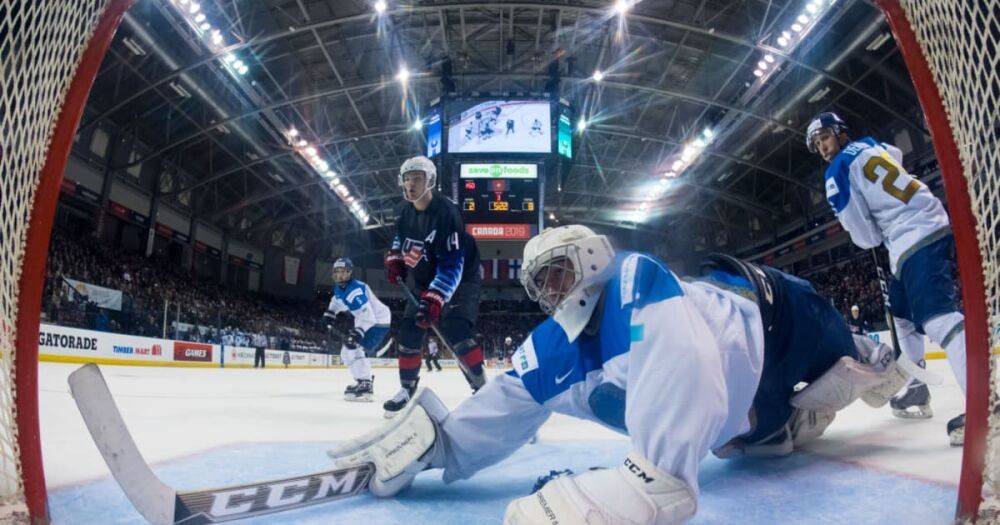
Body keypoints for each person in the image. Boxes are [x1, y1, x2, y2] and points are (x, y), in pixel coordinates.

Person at [329, 225, 907, 523]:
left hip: (779, 316)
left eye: (555, 275)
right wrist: (440, 447)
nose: (549, 294)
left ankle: (883, 367)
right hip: (746, 404)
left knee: (859, 367)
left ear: (590, 259)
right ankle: (780, 426)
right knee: (756, 444)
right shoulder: (563, 340)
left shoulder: (634, 277)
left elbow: (688, 363)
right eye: (539, 287)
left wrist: (657, 474)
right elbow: (512, 397)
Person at [807, 112, 964, 441]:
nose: (822, 146)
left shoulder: (836, 172)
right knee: (902, 314)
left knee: (937, 318)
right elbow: (895, 154)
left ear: (840, 133)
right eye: (817, 143)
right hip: (922, 223)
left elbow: (865, 237)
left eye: (824, 137)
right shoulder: (870, 146)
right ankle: (918, 387)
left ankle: (985, 401)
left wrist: (875, 222)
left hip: (913, 234)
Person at [383, 155, 486, 418]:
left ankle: (482, 388)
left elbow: (452, 264)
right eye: (406, 179)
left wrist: (436, 299)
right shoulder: (404, 213)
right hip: (423, 278)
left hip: (462, 278)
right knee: (408, 331)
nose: (410, 184)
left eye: (417, 178)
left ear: (430, 181)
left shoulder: (448, 213)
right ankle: (406, 388)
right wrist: (396, 259)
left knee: (456, 330)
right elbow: (400, 239)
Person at [323, 258, 390, 403]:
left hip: (377, 321)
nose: (340, 276)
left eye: (343, 272)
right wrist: (331, 312)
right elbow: (337, 300)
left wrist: (358, 332)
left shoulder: (355, 290)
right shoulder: (340, 288)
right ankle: (362, 381)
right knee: (346, 352)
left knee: (351, 349)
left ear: (349, 273)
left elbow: (369, 316)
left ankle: (365, 383)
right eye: (337, 272)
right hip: (366, 319)